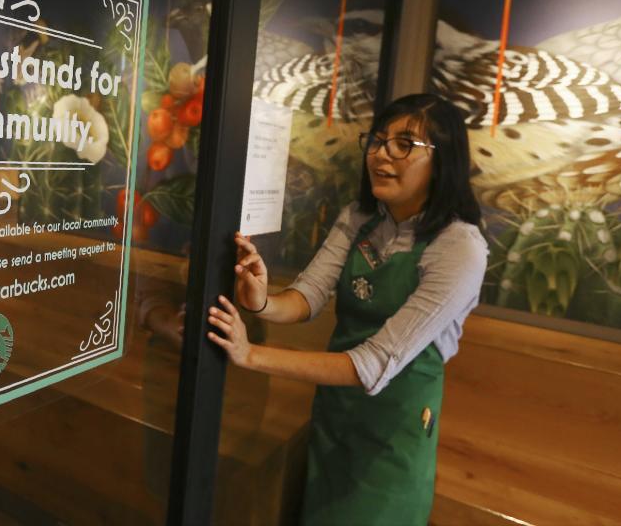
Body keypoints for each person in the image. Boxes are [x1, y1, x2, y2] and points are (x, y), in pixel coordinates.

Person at [206, 93, 488, 525]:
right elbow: (308, 297)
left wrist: (251, 355)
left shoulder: (459, 248)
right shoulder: (359, 217)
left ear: (442, 161)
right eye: (377, 140)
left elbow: (373, 364)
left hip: (394, 437)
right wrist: (261, 300)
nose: (381, 154)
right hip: (335, 420)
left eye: (404, 144)